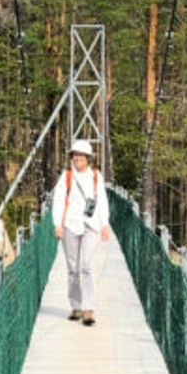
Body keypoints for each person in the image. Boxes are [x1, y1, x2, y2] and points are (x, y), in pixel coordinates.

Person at [52, 138, 107, 326]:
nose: (78, 159)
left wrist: (105, 224)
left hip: (91, 225)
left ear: (88, 158)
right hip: (70, 224)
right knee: (73, 268)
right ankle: (75, 305)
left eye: (81, 156)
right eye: (75, 156)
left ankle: (88, 309)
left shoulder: (95, 177)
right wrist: (57, 224)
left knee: (86, 266)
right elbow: (58, 200)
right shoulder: (66, 177)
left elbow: (102, 201)